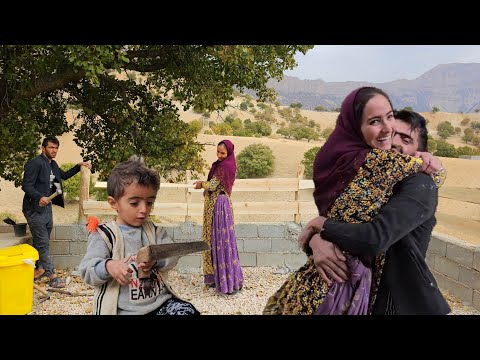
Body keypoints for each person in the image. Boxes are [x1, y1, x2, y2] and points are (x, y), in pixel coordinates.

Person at [263, 87, 448, 315]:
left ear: (421, 151)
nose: (393, 138)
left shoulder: (420, 185)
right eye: (391, 129)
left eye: (406, 138)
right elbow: (345, 223)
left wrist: (321, 225)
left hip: (394, 302)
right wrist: (315, 240)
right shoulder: (371, 181)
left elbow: (373, 238)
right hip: (358, 294)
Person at [79, 156, 200, 315]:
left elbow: (172, 256)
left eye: (149, 202)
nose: (144, 209)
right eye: (135, 203)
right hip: (124, 310)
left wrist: (156, 259)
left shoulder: (155, 232)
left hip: (159, 305)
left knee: (187, 311)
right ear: (113, 202)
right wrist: (109, 266)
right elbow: (87, 270)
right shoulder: (104, 235)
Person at [22, 135, 92, 288]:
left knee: (42, 240)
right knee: (43, 243)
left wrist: (79, 166)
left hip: (47, 209)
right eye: (51, 148)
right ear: (43, 148)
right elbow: (26, 186)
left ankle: (39, 269)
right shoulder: (34, 163)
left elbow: (64, 176)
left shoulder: (53, 164)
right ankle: (52, 275)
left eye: (56, 148)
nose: (54, 151)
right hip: (34, 209)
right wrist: (39, 197)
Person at [193, 139, 244, 295]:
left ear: (229, 153)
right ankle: (223, 279)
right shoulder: (226, 164)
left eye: (223, 153)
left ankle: (226, 282)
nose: (220, 155)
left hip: (219, 205)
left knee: (220, 240)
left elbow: (213, 185)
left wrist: (202, 183)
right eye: (218, 152)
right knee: (220, 239)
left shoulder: (223, 167)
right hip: (222, 204)